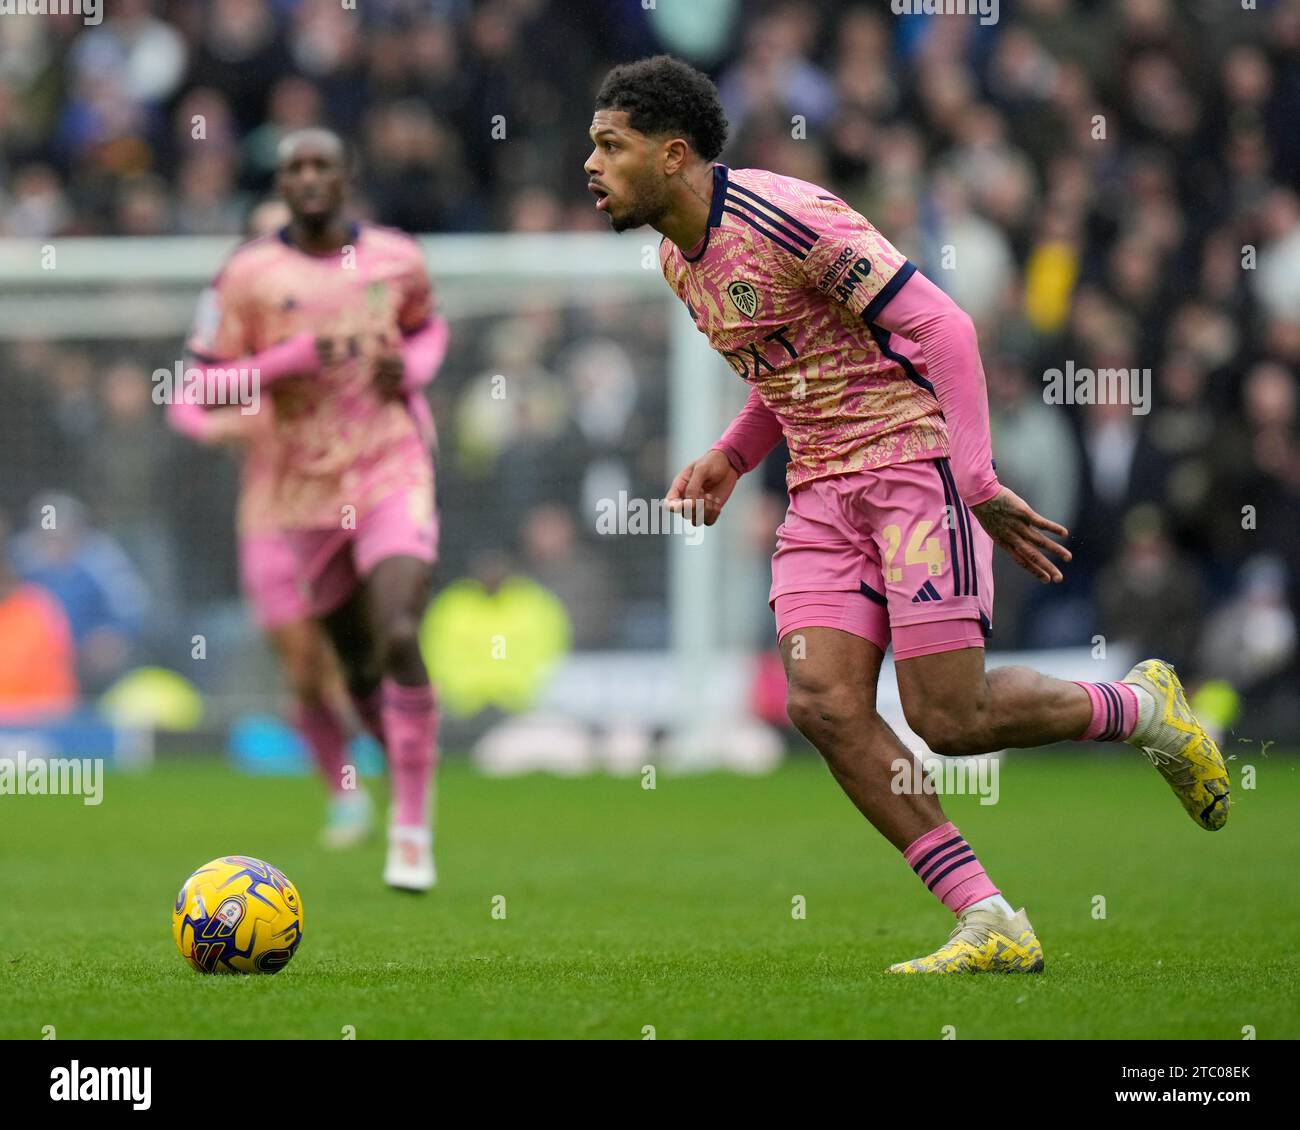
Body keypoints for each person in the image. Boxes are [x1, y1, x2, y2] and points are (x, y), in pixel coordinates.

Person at [584, 55, 1230, 973]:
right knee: (823, 702)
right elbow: (790, 369)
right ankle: (989, 918)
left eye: (611, 145)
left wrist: (974, 477)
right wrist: (733, 455)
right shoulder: (674, 262)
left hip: (911, 472)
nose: (591, 164)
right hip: (819, 494)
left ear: (674, 154)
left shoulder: (786, 217)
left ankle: (1142, 706)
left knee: (951, 717)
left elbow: (943, 328)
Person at [181, 129, 448, 891]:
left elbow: (427, 329)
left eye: (320, 163)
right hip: (298, 497)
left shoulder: (398, 257)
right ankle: (361, 783)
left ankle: (409, 829)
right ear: (281, 181)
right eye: (293, 166)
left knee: (399, 630)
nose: (307, 177)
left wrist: (412, 369)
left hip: (392, 468)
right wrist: (284, 366)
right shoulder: (246, 276)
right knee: (340, 664)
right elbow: (198, 391)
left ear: (346, 174)